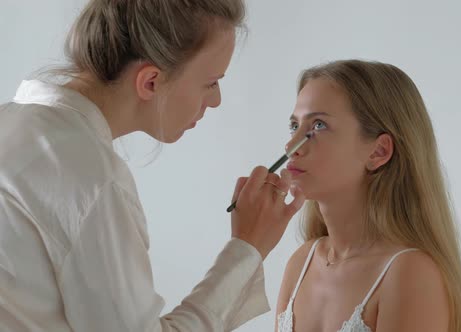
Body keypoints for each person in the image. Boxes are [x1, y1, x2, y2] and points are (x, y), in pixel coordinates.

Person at [0, 0, 305, 331]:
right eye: (211, 82)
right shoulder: (91, 179)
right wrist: (247, 248)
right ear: (150, 81)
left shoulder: (14, 124)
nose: (215, 100)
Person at [275, 60, 461, 332]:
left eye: (318, 126)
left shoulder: (409, 275)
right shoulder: (301, 263)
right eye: (294, 125)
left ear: (379, 151)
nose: (291, 146)